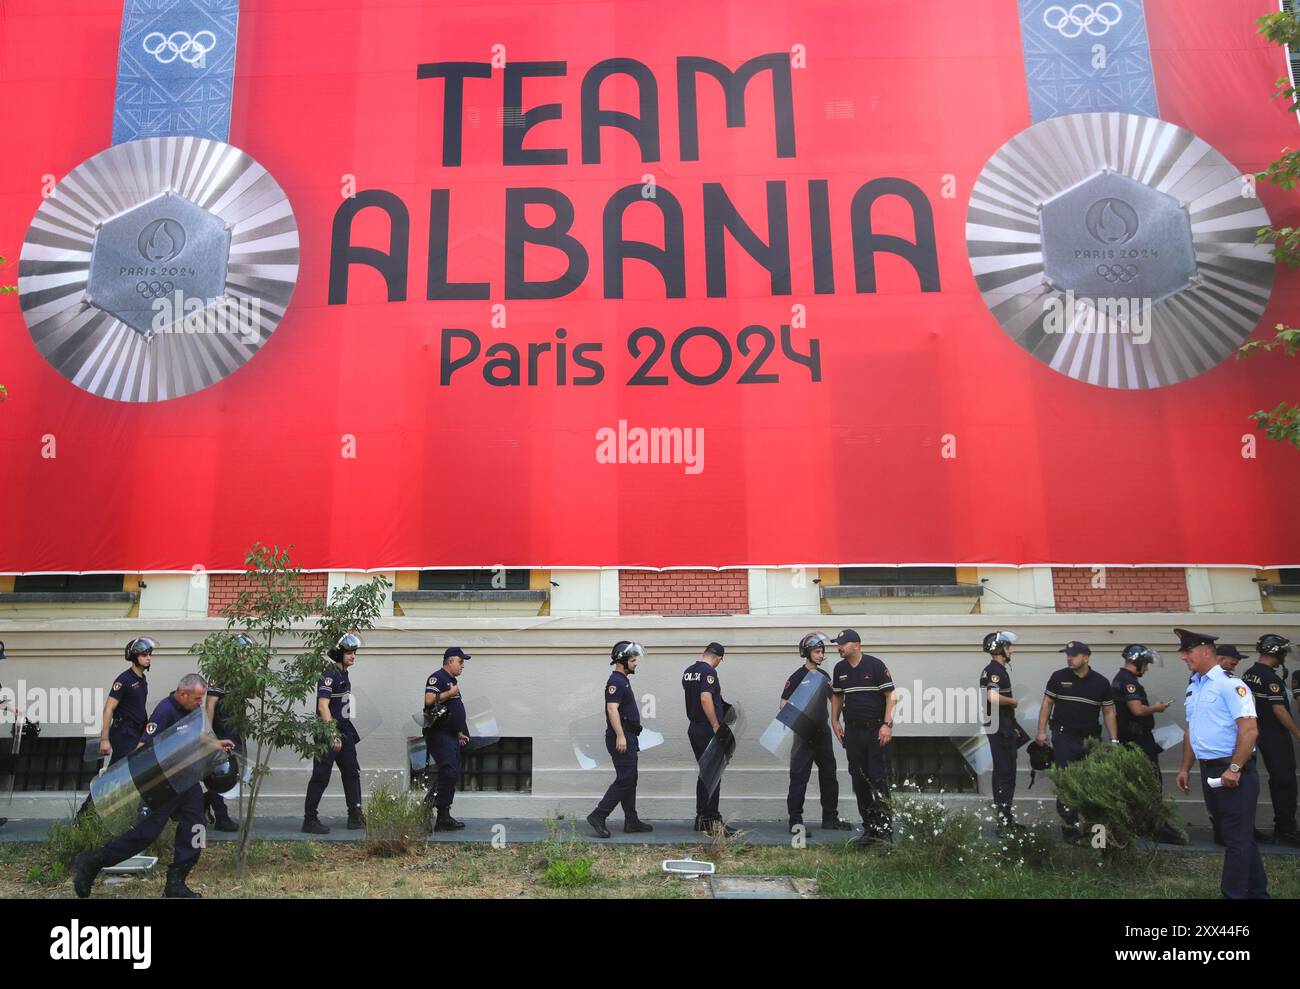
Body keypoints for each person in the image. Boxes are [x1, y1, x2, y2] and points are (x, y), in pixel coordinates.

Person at [73, 673, 235, 899]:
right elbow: (143, 748)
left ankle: (176, 884)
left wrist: (216, 743)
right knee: (145, 834)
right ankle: (92, 862)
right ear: (182, 694)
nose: (201, 703)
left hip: (187, 781)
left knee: (196, 827)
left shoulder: (192, 711)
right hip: (163, 785)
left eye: (202, 698)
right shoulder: (165, 711)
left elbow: (198, 737)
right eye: (197, 699)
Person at [1174, 628, 1267, 899]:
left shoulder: (1230, 685)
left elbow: (1249, 731)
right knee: (1239, 838)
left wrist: (1235, 768)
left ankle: (1234, 895)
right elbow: (1193, 730)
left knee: (1235, 840)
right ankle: (1258, 893)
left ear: (1204, 651)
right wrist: (1184, 768)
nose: (1183, 657)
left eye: (1187, 651)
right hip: (1210, 771)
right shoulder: (1195, 685)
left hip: (1233, 772)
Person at [1035, 640, 1117, 845]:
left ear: (1086, 657)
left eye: (1074, 655)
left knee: (1092, 784)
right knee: (1066, 784)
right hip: (1064, 739)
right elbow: (1047, 703)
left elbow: (1108, 711)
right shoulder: (1059, 677)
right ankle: (1069, 829)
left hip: (1090, 741)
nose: (1069, 658)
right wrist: (1041, 731)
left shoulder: (1101, 682)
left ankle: (1094, 833)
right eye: (1067, 655)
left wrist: (1114, 740)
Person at [1111, 644, 1185, 845]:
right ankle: (1156, 828)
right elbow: (1137, 710)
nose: (1147, 668)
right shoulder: (1128, 682)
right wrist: (1157, 708)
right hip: (1138, 742)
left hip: (1132, 741)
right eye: (1146, 664)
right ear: (1138, 662)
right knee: (1152, 783)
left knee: (1137, 785)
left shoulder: (1120, 679)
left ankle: (1140, 825)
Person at [828, 629, 896, 845]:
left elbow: (891, 696)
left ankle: (885, 831)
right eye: (838, 644)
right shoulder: (840, 668)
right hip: (853, 733)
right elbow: (837, 696)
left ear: (856, 645)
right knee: (859, 782)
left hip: (876, 731)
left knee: (878, 780)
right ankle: (870, 830)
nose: (838, 647)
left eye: (842, 644)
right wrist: (835, 721)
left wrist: (887, 725)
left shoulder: (875, 665)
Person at [783, 632, 851, 834]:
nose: (821, 655)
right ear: (807, 653)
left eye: (822, 652)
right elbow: (783, 705)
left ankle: (830, 818)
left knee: (829, 776)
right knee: (799, 778)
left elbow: (835, 701)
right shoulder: (796, 677)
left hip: (823, 733)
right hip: (804, 734)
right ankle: (795, 823)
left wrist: (840, 718)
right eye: (817, 651)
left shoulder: (824, 676)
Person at [587, 641, 653, 837]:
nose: (635, 663)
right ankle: (598, 815)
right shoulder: (615, 681)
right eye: (633, 660)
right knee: (625, 779)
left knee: (630, 779)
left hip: (629, 736)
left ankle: (631, 820)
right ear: (622, 660)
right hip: (622, 738)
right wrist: (621, 736)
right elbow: (611, 709)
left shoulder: (622, 680)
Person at [302, 633, 365, 834]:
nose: (353, 656)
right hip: (328, 733)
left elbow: (344, 705)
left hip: (344, 732)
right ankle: (309, 820)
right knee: (321, 776)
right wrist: (331, 734)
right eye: (349, 653)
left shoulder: (343, 674)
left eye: (354, 652)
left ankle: (355, 815)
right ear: (339, 653)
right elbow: (323, 706)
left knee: (352, 772)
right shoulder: (329, 675)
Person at [1241, 634, 1300, 847]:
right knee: (1285, 781)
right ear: (1277, 652)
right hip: (1274, 734)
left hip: (1255, 731)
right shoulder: (1271, 678)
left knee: (1267, 781)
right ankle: (1285, 829)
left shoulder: (1249, 674)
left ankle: (1276, 827)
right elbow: (1279, 709)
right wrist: (1297, 733)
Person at [682, 641, 736, 837]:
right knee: (713, 775)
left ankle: (701, 819)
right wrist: (716, 725)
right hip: (707, 729)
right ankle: (713, 821)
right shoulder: (709, 673)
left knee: (705, 774)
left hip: (694, 727)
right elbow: (705, 698)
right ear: (718, 658)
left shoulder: (688, 671)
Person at [201, 633, 251, 833]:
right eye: (244, 651)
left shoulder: (242, 673)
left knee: (234, 773)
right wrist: (209, 734)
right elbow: (210, 704)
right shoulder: (221, 674)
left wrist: (248, 669)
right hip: (223, 731)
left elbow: (254, 693)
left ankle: (203, 803)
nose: (247, 655)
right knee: (220, 774)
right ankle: (221, 817)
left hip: (237, 729)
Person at [980, 630, 1024, 832]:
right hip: (1000, 727)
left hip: (1003, 725)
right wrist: (1013, 701)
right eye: (1008, 647)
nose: (1011, 650)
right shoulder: (995, 670)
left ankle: (1005, 818)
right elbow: (992, 697)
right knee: (1006, 773)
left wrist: (1013, 726)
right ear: (1000, 649)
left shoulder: (996, 669)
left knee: (1003, 772)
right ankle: (1005, 823)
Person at [425, 646, 471, 832]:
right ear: (450, 661)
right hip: (440, 735)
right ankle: (429, 807)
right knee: (449, 771)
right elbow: (429, 700)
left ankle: (443, 815)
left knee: (450, 774)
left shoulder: (451, 680)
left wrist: (458, 731)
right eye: (460, 662)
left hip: (451, 735)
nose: (462, 666)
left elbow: (451, 709)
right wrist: (449, 694)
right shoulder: (438, 677)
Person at [98, 637, 153, 765]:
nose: (149, 657)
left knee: (134, 769)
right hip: (124, 733)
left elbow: (138, 706)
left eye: (150, 654)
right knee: (121, 771)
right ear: (134, 657)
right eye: (144, 655)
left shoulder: (142, 679)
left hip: (136, 732)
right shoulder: (124, 680)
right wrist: (104, 739)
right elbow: (108, 709)